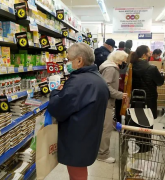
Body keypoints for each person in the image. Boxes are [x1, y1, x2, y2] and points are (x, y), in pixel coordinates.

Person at [47, 43, 109, 180]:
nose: (67, 63)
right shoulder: (98, 78)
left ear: (79, 60)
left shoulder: (78, 82)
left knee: (76, 173)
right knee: (80, 169)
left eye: (68, 59)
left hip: (77, 136)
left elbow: (57, 108)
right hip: (89, 134)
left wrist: (56, 92)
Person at [98, 51, 128, 163]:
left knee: (104, 128)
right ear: (118, 60)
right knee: (106, 129)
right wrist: (119, 94)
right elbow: (106, 86)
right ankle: (103, 155)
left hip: (104, 101)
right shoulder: (111, 69)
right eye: (123, 61)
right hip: (106, 102)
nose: (124, 63)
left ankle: (101, 151)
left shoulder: (108, 66)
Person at [131, 45, 165, 119]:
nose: (150, 54)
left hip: (135, 96)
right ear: (144, 55)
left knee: (136, 118)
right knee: (148, 120)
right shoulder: (152, 68)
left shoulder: (131, 66)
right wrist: (162, 74)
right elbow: (160, 82)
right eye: (149, 52)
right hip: (149, 98)